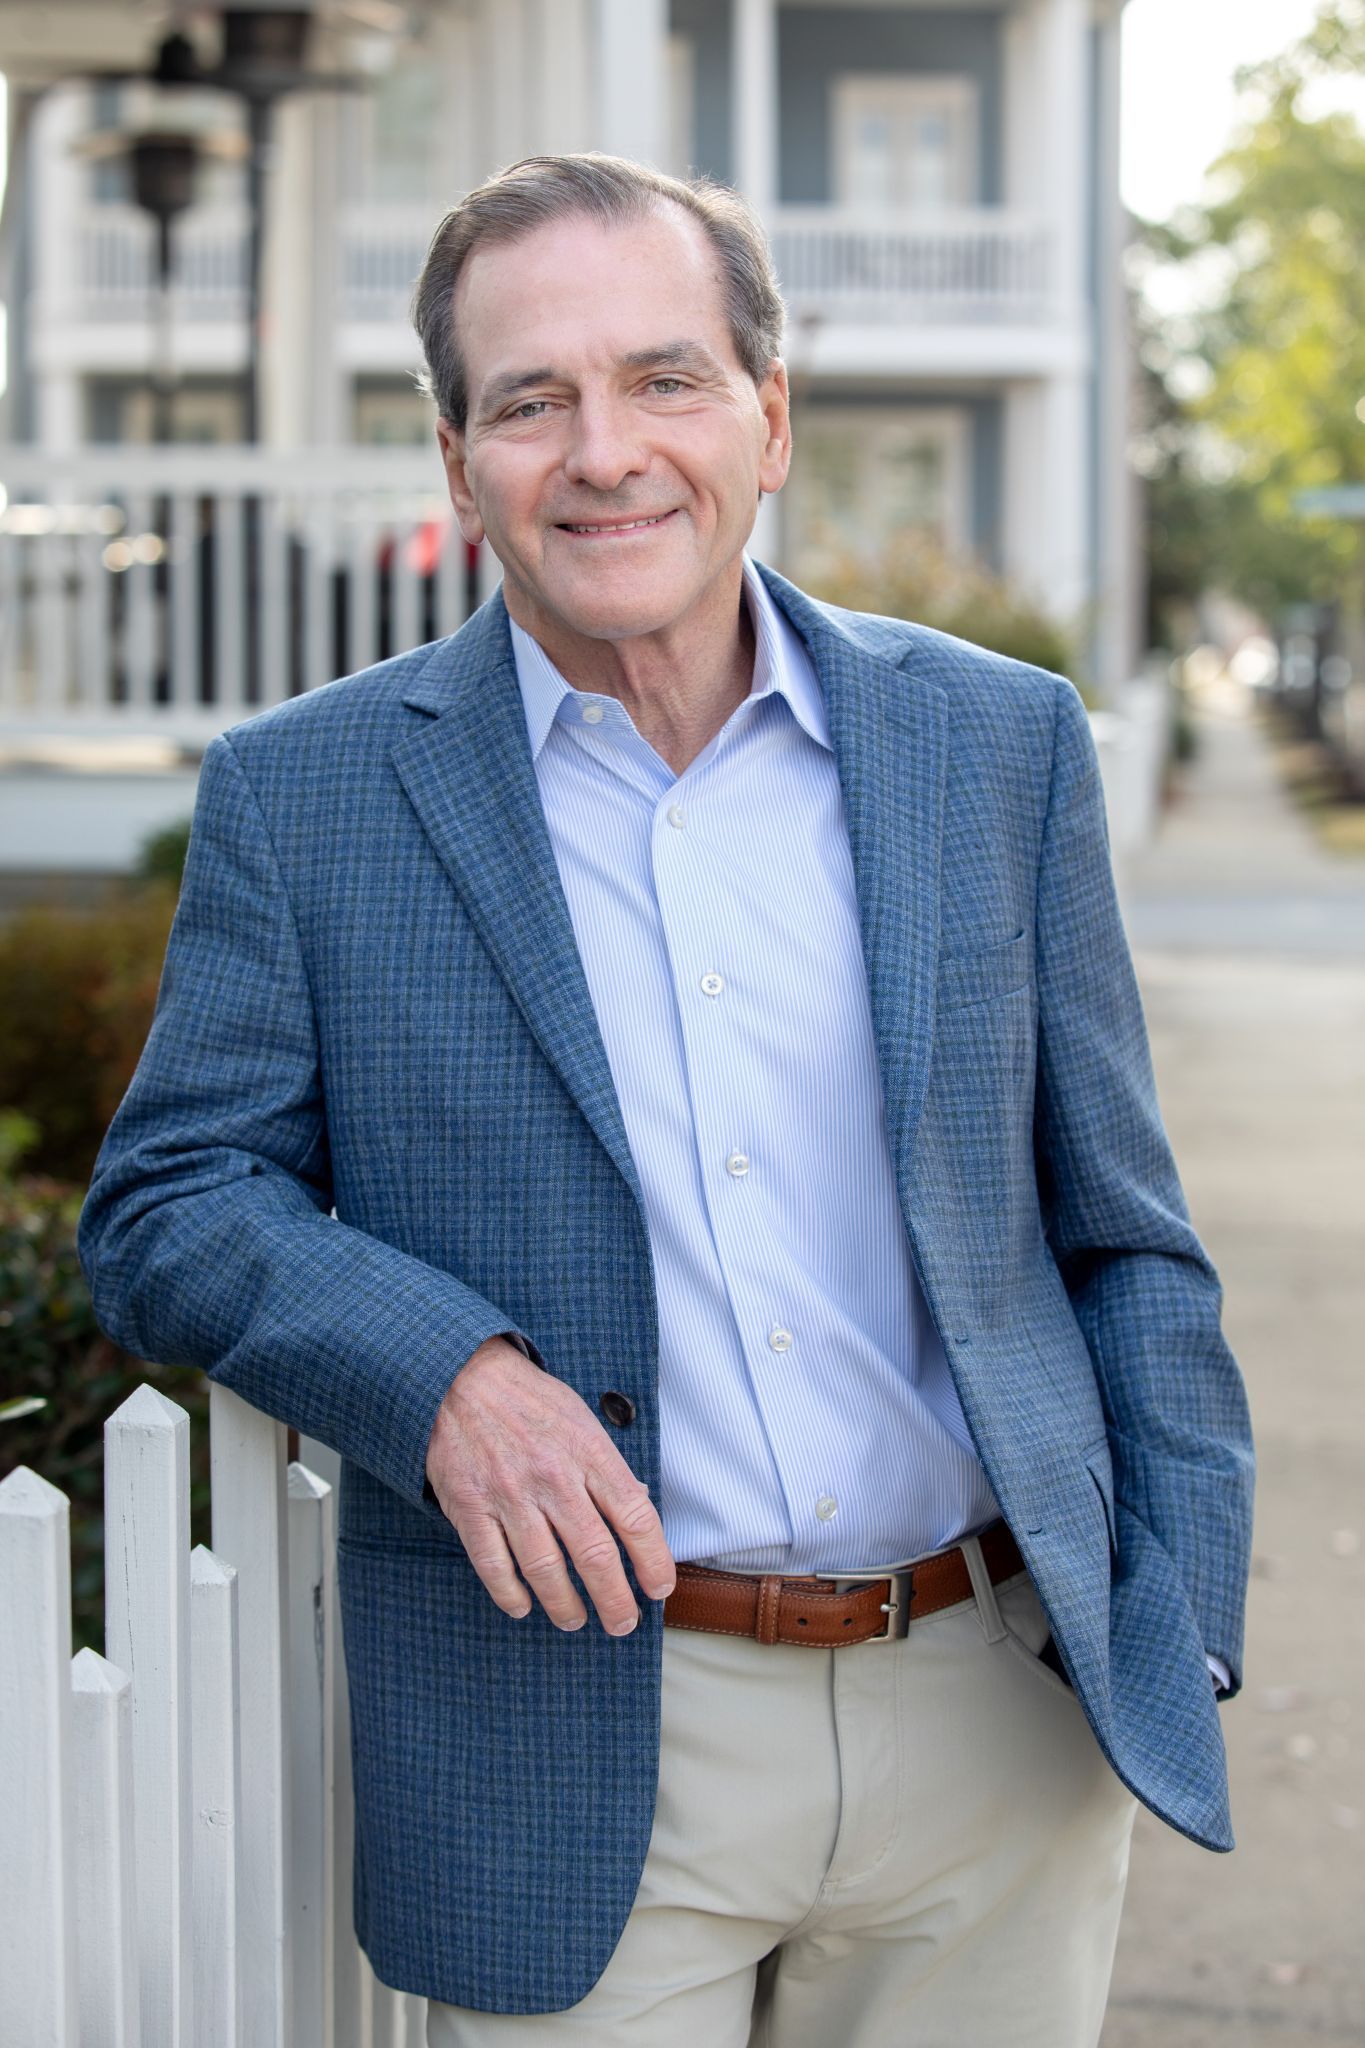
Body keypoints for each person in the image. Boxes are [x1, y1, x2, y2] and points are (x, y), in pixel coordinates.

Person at [78, 153, 1255, 2047]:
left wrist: (1174, 1613)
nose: (603, 450)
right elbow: (166, 1205)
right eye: (530, 400)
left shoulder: (996, 746)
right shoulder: (305, 798)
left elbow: (1120, 1225)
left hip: (994, 1707)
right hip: (578, 1726)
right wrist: (446, 1374)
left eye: (664, 379)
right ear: (457, 465)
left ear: (767, 418)